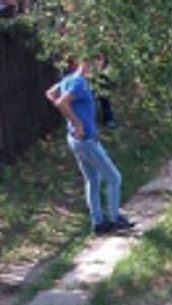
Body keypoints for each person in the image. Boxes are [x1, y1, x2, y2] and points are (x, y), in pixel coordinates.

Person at [45, 58, 134, 235]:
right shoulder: (78, 82)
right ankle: (114, 218)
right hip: (85, 139)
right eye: (97, 63)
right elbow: (61, 102)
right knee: (114, 178)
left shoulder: (69, 79)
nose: (98, 67)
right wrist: (76, 123)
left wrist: (71, 119)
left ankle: (98, 223)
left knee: (92, 180)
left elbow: (51, 94)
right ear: (86, 62)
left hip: (76, 140)